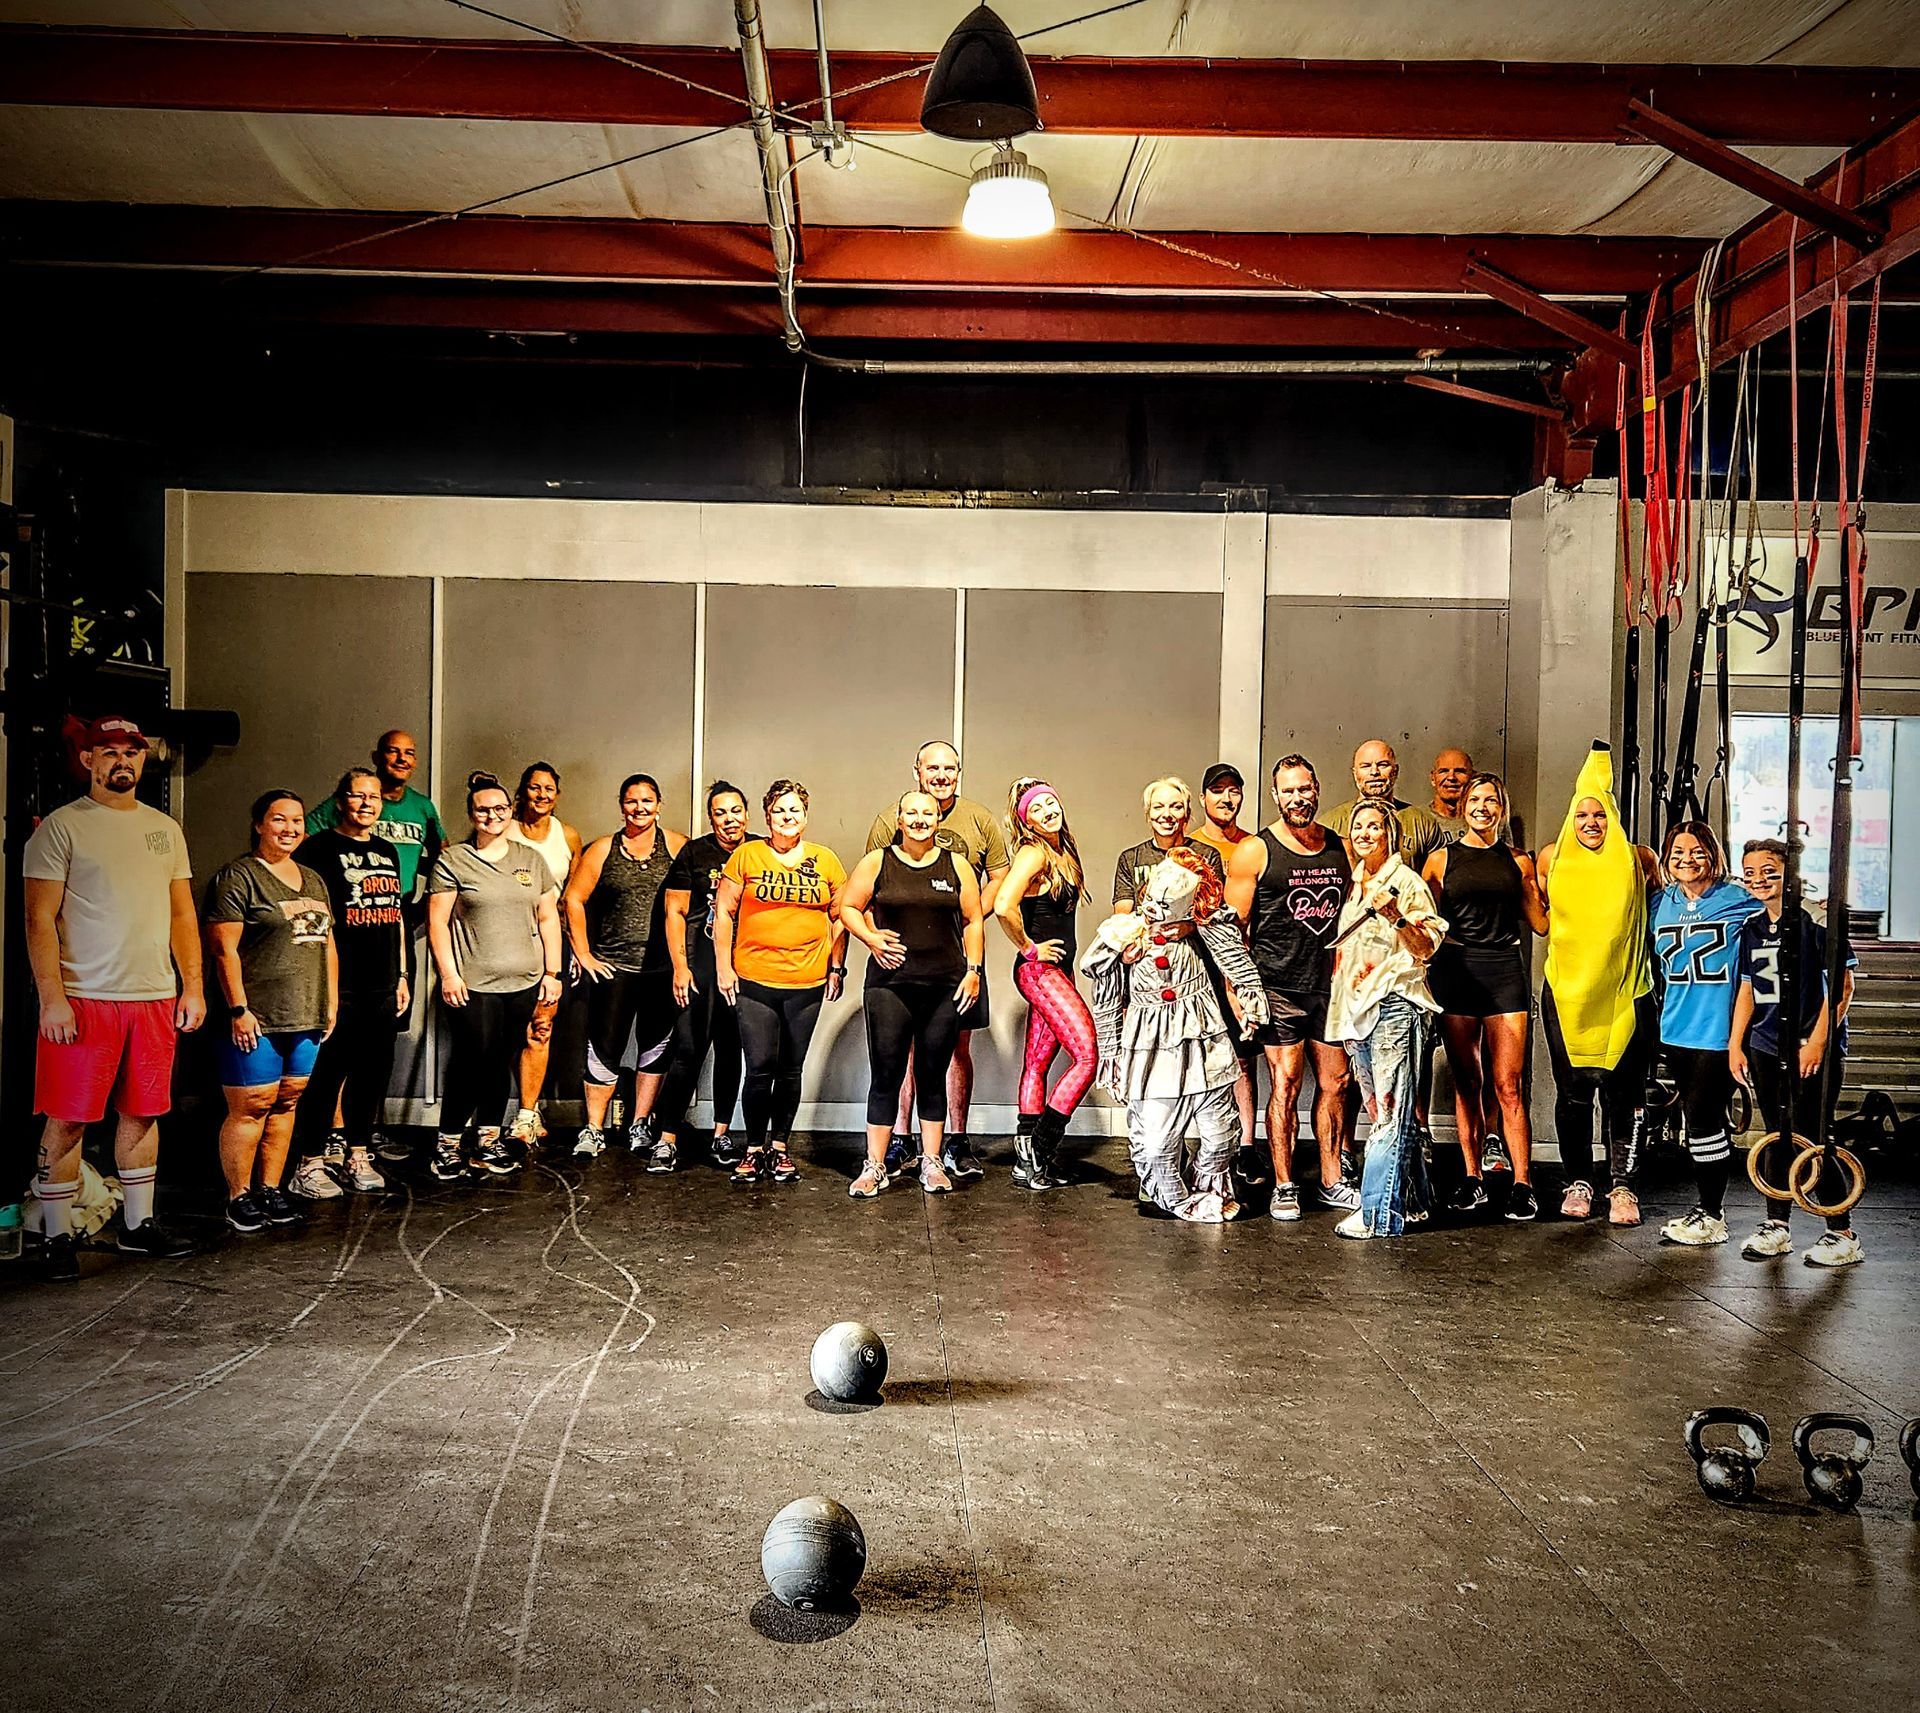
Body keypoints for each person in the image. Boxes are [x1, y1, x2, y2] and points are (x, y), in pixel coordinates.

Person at [23, 716, 204, 1276]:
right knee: (68, 1117)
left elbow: (181, 915)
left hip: (152, 997)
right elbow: (38, 919)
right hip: (83, 997)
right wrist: (52, 998)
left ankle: (138, 1225)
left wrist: (192, 985)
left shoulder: (164, 829)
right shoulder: (61, 826)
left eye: (132, 751)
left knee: (143, 1112)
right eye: (109, 751)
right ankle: (56, 1239)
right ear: (87, 760)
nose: (122, 760)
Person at [1082, 848, 1268, 1222]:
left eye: (1166, 904)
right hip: (1150, 1045)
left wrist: (1252, 1001)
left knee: (1220, 1135)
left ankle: (1210, 1191)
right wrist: (1111, 1050)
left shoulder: (1207, 927)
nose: (1153, 908)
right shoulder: (1123, 935)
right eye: (1150, 897)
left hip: (1204, 1037)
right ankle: (1174, 1198)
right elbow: (1103, 994)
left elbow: (1236, 960)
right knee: (1154, 1144)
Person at [865, 741, 1008, 1183]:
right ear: (917, 771)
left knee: (951, 1053)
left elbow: (998, 877)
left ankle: (955, 1143)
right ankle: (898, 1142)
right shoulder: (889, 820)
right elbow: (865, 892)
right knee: (898, 1056)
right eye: (933, 767)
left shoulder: (979, 820)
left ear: (959, 771)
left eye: (950, 767)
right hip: (898, 973)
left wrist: (970, 920)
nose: (941, 774)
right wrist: (873, 938)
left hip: (953, 965)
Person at [1225, 756, 1354, 1222]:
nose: (1298, 798)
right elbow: (1230, 930)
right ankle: (1284, 1184)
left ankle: (1332, 1179)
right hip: (1277, 985)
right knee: (1286, 1083)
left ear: (1316, 789)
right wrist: (1238, 990)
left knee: (1337, 1083)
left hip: (1330, 988)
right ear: (1276, 796)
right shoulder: (1255, 852)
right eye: (1288, 791)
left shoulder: (1341, 847)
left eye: (1305, 789)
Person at [1535, 745, 1659, 1226]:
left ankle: (1623, 1187)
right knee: (1574, 1093)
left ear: (1612, 816)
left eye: (1599, 814)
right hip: (1567, 995)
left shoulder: (1636, 858)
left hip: (1625, 992)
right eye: (1582, 814)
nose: (1591, 822)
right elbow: (1539, 912)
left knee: (1623, 1095)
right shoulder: (1552, 857)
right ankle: (1578, 1181)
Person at [204, 790, 338, 1233]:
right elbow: (223, 950)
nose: (289, 829)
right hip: (255, 1016)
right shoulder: (238, 877)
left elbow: (327, 946)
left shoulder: (314, 880)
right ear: (259, 824)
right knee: (252, 1105)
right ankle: (238, 1195)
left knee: (286, 1102)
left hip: (305, 1014)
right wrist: (238, 1009)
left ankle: (270, 1188)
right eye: (279, 820)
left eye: (297, 820)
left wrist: (330, 1002)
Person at [840, 791, 985, 1197]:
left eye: (928, 813)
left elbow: (973, 921)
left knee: (932, 1075)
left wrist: (973, 971)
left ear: (938, 821)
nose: (919, 819)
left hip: (944, 986)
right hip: (889, 987)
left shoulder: (956, 866)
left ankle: (933, 1163)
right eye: (911, 813)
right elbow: (848, 907)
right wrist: (871, 938)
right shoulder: (877, 862)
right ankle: (874, 1167)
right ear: (899, 820)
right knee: (886, 1074)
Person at [1729, 839, 1862, 1267]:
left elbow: (1842, 988)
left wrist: (1819, 1041)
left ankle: (1840, 1232)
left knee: (1814, 1136)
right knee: (1778, 1134)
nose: (1759, 880)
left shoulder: (1819, 919)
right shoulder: (1751, 928)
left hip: (1811, 1046)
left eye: (1769, 871)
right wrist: (1737, 1043)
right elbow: (1748, 989)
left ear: (1790, 873)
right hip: (1766, 1045)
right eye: (1750, 873)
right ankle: (1776, 1225)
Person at [1422, 773, 1548, 1221]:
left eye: (1490, 800)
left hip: (1503, 972)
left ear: (1500, 807)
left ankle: (1522, 1183)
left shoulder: (1519, 861)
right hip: (1456, 970)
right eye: (1474, 799)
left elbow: (1541, 923)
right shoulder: (1439, 861)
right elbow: (1424, 927)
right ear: (1464, 806)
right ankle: (1472, 1177)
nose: (1481, 806)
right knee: (1467, 1082)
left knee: (1509, 1085)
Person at [426, 772, 563, 1182]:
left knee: (501, 1062)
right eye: (483, 810)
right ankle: (448, 1145)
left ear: (511, 810)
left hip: (523, 981)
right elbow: (437, 925)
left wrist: (552, 972)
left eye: (500, 809)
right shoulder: (453, 861)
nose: (492, 815)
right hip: (473, 984)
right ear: (471, 814)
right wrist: (448, 975)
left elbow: (547, 917)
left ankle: (487, 1142)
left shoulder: (529, 860)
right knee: (472, 1062)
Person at [714, 780, 848, 1186]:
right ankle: (754, 1149)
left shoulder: (826, 861)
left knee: (790, 1069)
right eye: (780, 811)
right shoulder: (747, 856)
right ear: (767, 817)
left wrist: (836, 967)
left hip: (806, 981)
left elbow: (843, 915)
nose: (788, 817)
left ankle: (780, 1148)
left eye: (795, 811)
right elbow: (723, 913)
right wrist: (724, 966)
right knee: (758, 1068)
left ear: (806, 816)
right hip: (754, 979)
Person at [1326, 800, 1446, 1239]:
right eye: (1357, 827)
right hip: (1360, 1012)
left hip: (1396, 1005)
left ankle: (1379, 1212)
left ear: (1389, 835)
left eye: (1373, 827)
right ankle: (1413, 1201)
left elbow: (1426, 947)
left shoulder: (1407, 883)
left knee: (1388, 1115)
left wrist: (1395, 914)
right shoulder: (1358, 884)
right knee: (1384, 1111)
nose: (1363, 834)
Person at [289, 767, 410, 1201]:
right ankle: (309, 1163)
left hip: (382, 984)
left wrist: (401, 975)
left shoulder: (387, 852)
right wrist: (320, 986)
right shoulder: (317, 850)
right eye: (357, 796)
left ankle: (358, 1154)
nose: (366, 804)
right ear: (341, 800)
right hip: (339, 984)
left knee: (371, 1075)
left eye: (374, 797)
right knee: (325, 1076)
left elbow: (394, 916)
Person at [1650, 820, 1763, 1247]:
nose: (1687, 859)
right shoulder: (1661, 903)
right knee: (1697, 1120)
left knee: (1705, 1120)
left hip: (1719, 1031)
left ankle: (1712, 1213)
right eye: (1677, 852)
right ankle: (1708, 1209)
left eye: (1697, 851)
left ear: (1713, 854)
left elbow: (1779, 915)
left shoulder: (1739, 899)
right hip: (1676, 1028)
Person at [563, 774, 686, 1160]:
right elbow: (572, 901)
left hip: (662, 970)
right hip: (614, 968)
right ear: (621, 806)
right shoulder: (602, 849)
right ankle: (594, 1128)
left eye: (647, 800)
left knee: (656, 1047)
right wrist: (584, 956)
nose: (640, 808)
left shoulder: (678, 846)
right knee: (604, 1047)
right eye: (632, 801)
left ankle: (640, 1123)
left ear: (659, 804)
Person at [996, 778, 1097, 1192]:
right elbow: (1003, 905)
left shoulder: (1062, 852)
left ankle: (1028, 1164)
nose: (1046, 812)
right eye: (1035, 809)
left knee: (1037, 1063)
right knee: (1088, 1056)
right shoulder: (1033, 852)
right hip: (1039, 972)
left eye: (1050, 803)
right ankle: (1041, 1147)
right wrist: (1029, 948)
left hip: (1058, 973)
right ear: (1026, 821)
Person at [651, 782, 758, 1173]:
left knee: (731, 1052)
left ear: (747, 814)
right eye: (720, 813)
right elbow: (674, 912)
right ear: (711, 818)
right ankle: (667, 1139)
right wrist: (681, 967)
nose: (729, 819)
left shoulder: (759, 851)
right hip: (701, 968)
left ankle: (721, 1134)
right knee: (689, 1051)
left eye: (735, 811)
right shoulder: (695, 853)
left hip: (745, 969)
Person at [1189, 762, 1260, 1172]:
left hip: (1240, 967)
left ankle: (1246, 1148)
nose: (1226, 798)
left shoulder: (1253, 847)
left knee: (1242, 1059)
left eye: (1234, 791)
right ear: (1203, 798)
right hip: (1195, 970)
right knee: (1197, 1059)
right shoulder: (1192, 847)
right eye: (1217, 791)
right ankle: (1206, 1148)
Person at [507, 761, 582, 1146]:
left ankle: (527, 1113)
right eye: (534, 787)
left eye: (549, 788)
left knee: (541, 1025)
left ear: (558, 794)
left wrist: (574, 947)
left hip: (551, 943)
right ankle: (485, 1121)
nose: (541, 795)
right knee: (504, 1028)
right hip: (506, 942)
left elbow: (574, 896)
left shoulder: (566, 836)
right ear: (522, 791)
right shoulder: (502, 828)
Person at [307, 728, 446, 907]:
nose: (402, 759)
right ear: (376, 757)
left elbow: (442, 859)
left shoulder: (423, 806)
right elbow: (299, 842)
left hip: (398, 911)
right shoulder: (351, 802)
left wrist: (426, 904)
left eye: (409, 753)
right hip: (353, 909)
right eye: (393, 751)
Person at [1324, 739, 1449, 872]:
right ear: (1355, 774)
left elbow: (1437, 879)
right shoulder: (1331, 824)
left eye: (1382, 765)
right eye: (1365, 766)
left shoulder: (1422, 823)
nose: (1374, 772)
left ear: (1395, 771)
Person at [1112, 776, 1224, 908]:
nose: (1166, 814)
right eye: (1158, 807)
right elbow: (1123, 916)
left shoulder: (1208, 856)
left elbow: (1213, 912)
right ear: (1148, 814)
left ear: (1187, 814)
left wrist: (1185, 927)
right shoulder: (1130, 859)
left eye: (1176, 807)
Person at [1427, 747, 1475, 838]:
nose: (1451, 777)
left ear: (1472, 777)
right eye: (1444, 771)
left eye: (1459, 771)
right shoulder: (1416, 820)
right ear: (1433, 778)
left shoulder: (1487, 820)